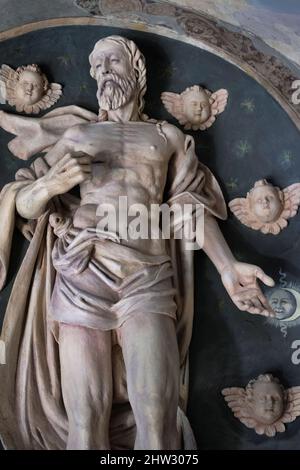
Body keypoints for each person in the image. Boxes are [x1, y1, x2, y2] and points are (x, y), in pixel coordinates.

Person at [0, 35, 274, 450]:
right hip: (81, 271)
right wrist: (50, 184)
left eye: (110, 61)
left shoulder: (167, 137)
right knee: (86, 417)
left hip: (146, 277)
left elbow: (187, 206)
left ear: (136, 68)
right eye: (94, 65)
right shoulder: (75, 136)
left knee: (157, 415)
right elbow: (22, 200)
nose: (101, 71)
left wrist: (227, 266)